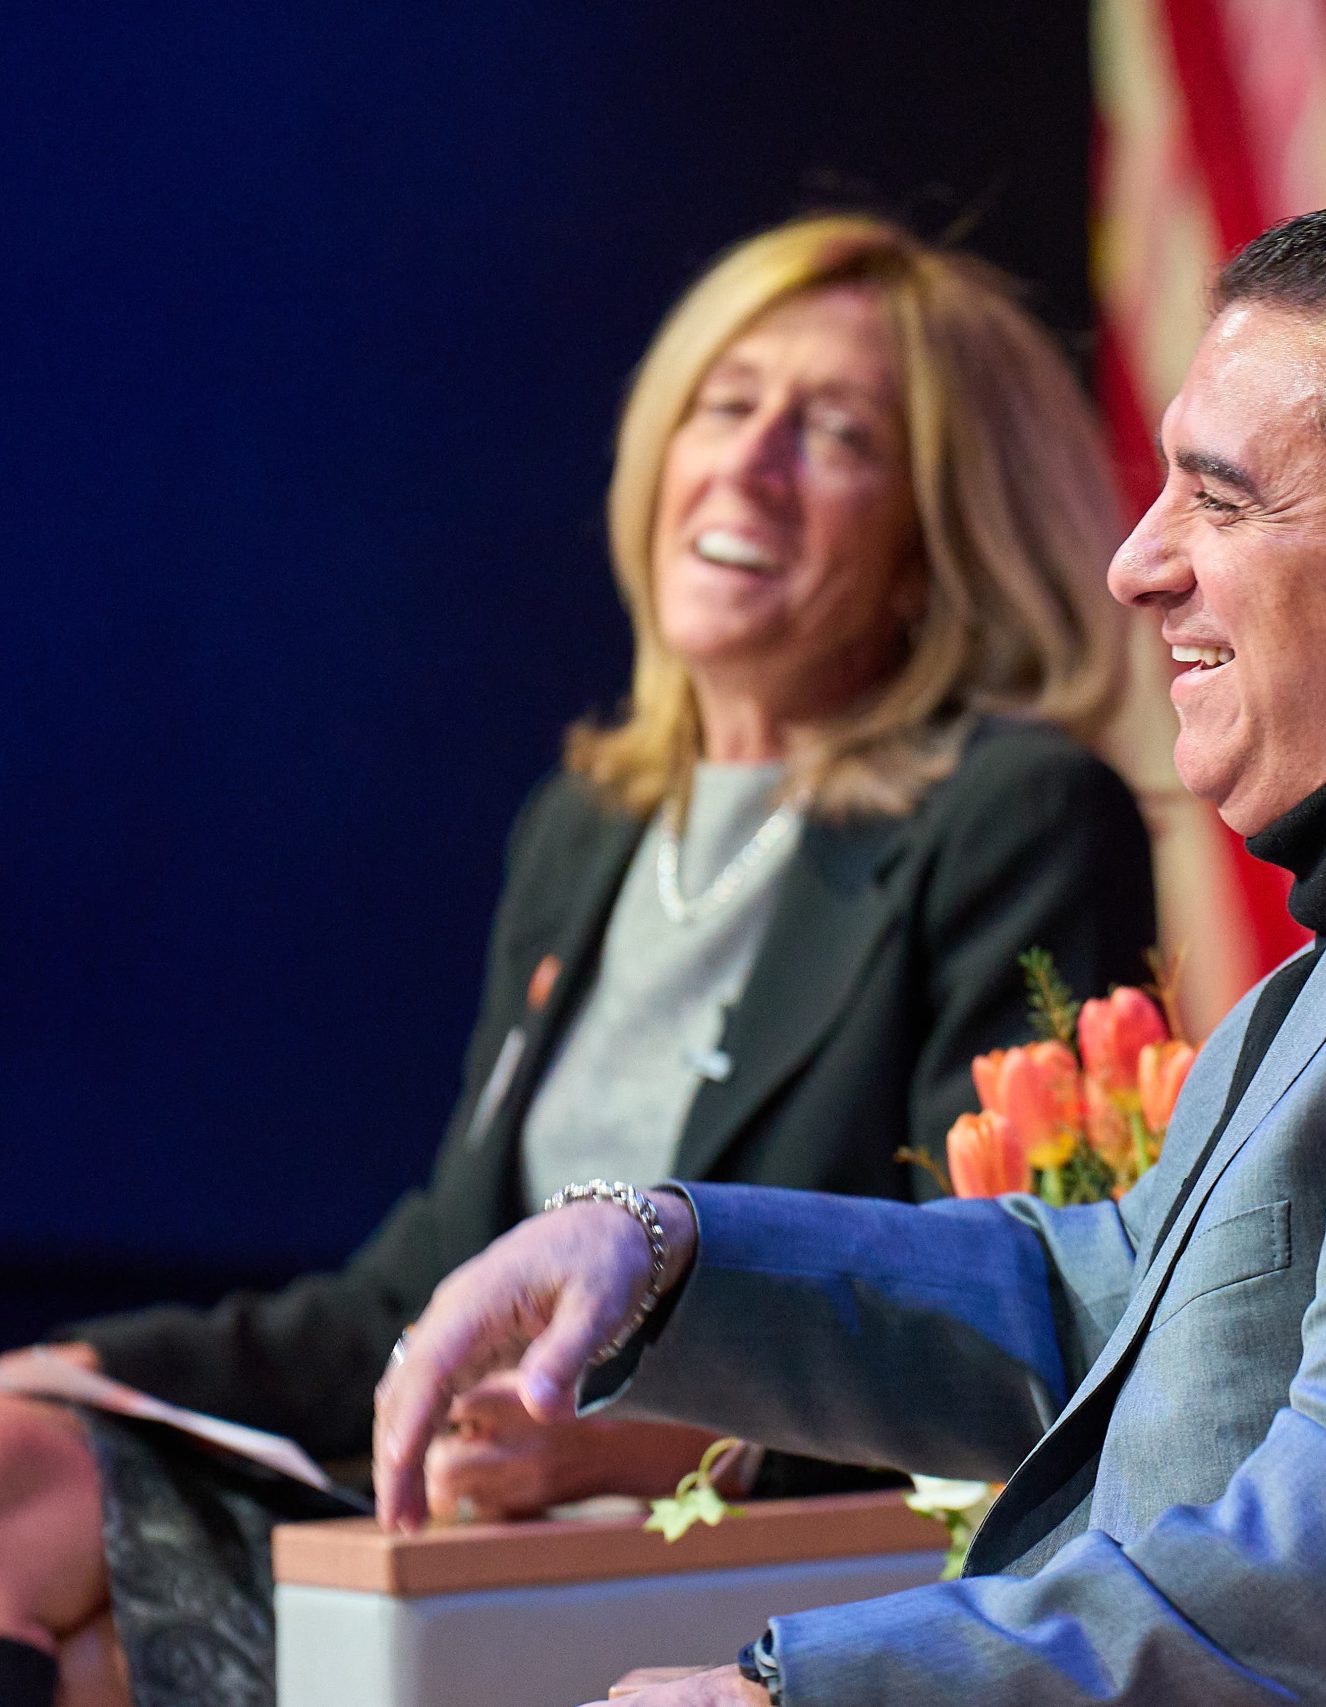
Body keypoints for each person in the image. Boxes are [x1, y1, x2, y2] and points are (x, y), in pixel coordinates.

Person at [374, 199, 1326, 1707]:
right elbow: (1101, 1307)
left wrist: (783, 1695)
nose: (1136, 564)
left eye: (1220, 501)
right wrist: (658, 1251)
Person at [0, 213, 1160, 1707]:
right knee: (37, 1471)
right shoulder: (590, 830)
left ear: (935, 538)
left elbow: (1007, 1315)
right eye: (726, 407)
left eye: (837, 435)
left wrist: (643, 1439)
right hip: (481, 1521)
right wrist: (90, 1363)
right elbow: (414, 1292)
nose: (747, 465)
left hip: (745, 1564)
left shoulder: (1009, 814)